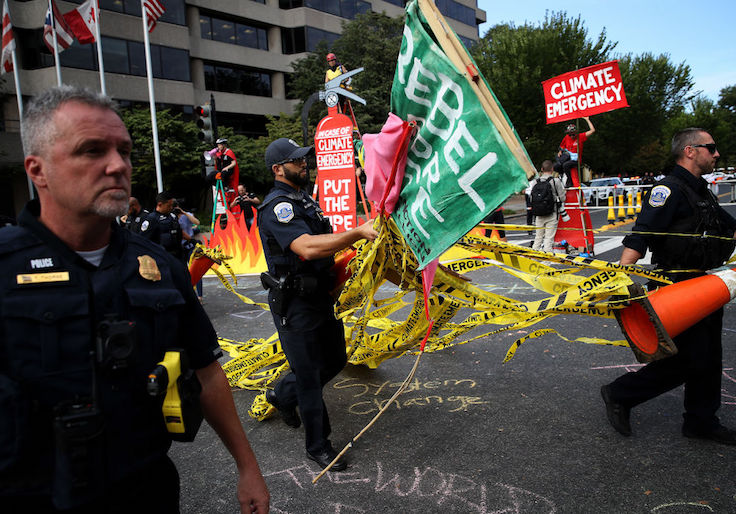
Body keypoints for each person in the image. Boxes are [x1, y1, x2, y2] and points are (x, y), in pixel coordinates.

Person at [0, 86, 269, 512]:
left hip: (145, 488)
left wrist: (247, 467)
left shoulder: (159, 266)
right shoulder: (5, 265)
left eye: (124, 151)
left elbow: (207, 371)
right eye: (92, 151)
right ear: (38, 170)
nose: (117, 166)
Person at [601, 128, 736, 445]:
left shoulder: (700, 190)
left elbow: (726, 227)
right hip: (677, 286)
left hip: (705, 282)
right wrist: (620, 276)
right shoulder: (668, 189)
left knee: (709, 356)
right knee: (690, 359)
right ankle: (620, 393)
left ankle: (701, 420)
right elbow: (642, 234)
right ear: (690, 151)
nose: (716, 154)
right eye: (711, 148)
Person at [258, 138, 378, 471]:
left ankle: (282, 393)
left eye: (304, 159)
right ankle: (318, 446)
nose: (304, 164)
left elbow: (325, 243)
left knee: (336, 359)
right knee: (309, 376)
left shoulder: (304, 200)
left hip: (322, 297)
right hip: (295, 303)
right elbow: (307, 247)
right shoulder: (277, 206)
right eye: (296, 161)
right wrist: (356, 234)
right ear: (278, 169)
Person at [531, 160, 568, 253]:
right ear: (552, 169)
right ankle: (546, 263)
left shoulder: (536, 182)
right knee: (548, 239)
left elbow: (532, 198)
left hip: (538, 214)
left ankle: (533, 259)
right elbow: (563, 198)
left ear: (542, 169)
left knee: (538, 238)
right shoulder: (555, 181)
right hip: (552, 213)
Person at [140, 191, 184, 261]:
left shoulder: (172, 216)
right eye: (168, 206)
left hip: (177, 256)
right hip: (162, 258)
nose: (171, 208)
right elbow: (144, 240)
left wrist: (191, 240)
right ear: (160, 204)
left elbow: (179, 233)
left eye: (172, 205)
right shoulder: (151, 219)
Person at [176, 200, 204, 301]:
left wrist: (183, 213)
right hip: (179, 248)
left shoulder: (186, 215)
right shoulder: (170, 217)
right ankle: (187, 295)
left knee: (195, 269)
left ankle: (200, 296)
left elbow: (197, 222)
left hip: (190, 245)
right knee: (183, 271)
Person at [555, 116, 595, 185]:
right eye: (569, 134)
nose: (571, 136)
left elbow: (592, 130)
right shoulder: (566, 138)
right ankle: (561, 175)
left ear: (576, 132)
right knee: (556, 166)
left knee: (565, 165)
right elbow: (562, 146)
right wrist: (560, 151)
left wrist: (587, 120)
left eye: (573, 134)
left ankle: (569, 180)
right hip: (567, 158)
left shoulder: (580, 137)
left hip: (576, 160)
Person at [215, 138, 239, 206]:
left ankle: (225, 187)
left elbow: (234, 163)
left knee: (223, 174)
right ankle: (219, 187)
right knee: (214, 175)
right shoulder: (219, 153)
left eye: (220, 145)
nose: (218, 147)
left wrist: (227, 168)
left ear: (224, 145)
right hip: (222, 170)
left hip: (229, 170)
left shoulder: (229, 152)